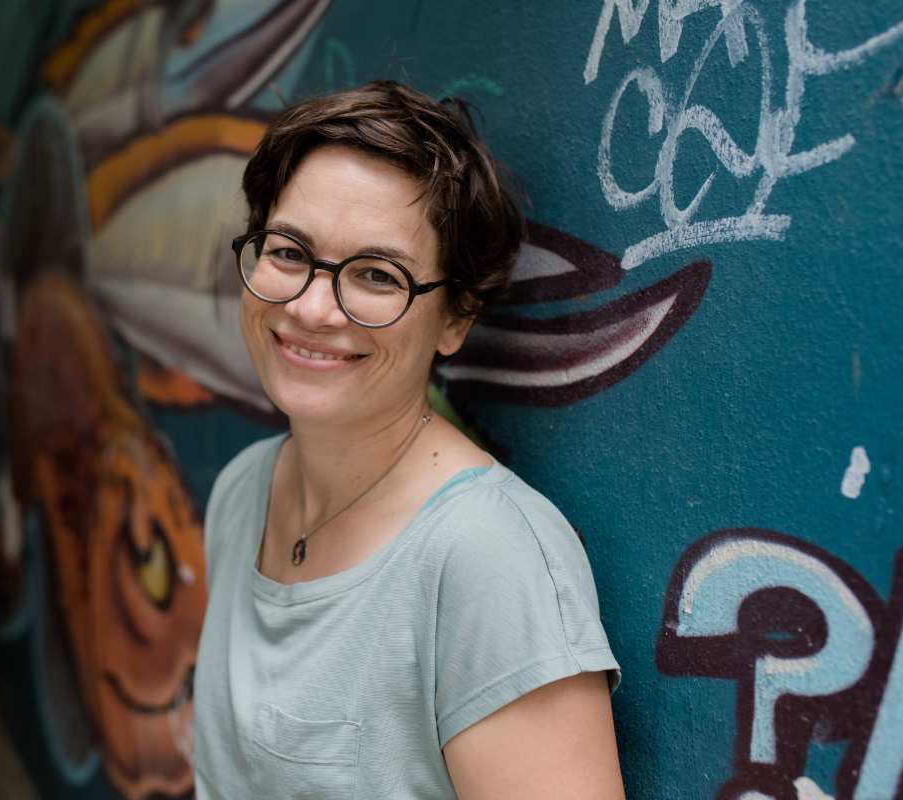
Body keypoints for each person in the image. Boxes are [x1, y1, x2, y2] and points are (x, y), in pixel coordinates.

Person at [193, 80, 624, 799]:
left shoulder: (488, 559)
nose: (310, 307)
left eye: (375, 274)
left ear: (455, 318)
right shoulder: (244, 491)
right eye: (290, 251)